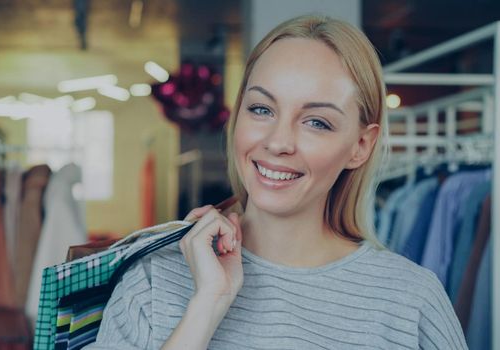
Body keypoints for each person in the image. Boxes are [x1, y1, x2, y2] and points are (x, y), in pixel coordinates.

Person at [85, 15, 467, 349]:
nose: (278, 142)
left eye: (317, 122)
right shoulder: (154, 279)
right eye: (262, 109)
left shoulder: (410, 300)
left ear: (360, 146)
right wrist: (209, 303)